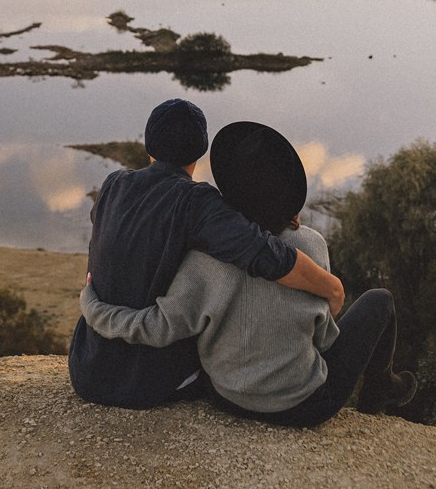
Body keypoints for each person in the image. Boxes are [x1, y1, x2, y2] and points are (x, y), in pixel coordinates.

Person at [81, 120, 416, 425]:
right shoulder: (311, 247)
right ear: (288, 195)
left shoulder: (202, 257)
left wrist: (95, 308)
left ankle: (379, 387)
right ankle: (381, 388)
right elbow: (325, 336)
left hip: (226, 397)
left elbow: (162, 326)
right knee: (380, 300)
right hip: (303, 407)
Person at [68, 100, 344, 409]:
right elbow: (265, 255)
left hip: (86, 369)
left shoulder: (113, 184)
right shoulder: (196, 201)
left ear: (149, 145)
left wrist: (93, 300)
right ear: (200, 152)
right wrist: (332, 287)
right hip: (148, 384)